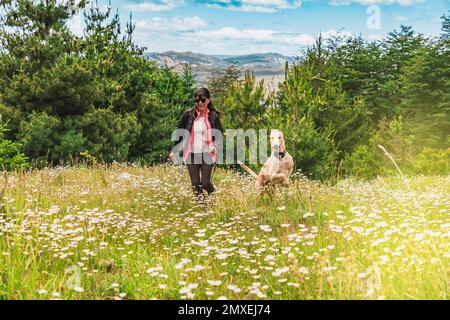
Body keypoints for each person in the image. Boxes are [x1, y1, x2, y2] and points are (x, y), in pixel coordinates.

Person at [169, 87, 223, 201]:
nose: (200, 103)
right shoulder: (188, 115)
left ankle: (214, 198)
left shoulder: (213, 116)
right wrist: (174, 150)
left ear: (208, 100)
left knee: (205, 183)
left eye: (203, 100)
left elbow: (219, 136)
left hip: (207, 154)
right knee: (195, 184)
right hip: (191, 154)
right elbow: (180, 133)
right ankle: (202, 209)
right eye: (197, 100)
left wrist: (215, 146)